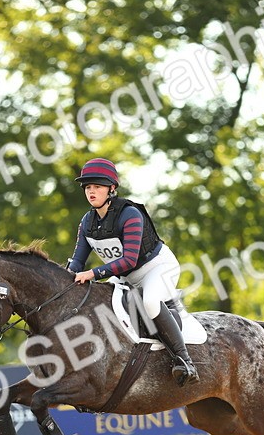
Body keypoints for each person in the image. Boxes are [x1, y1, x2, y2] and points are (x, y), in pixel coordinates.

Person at [66, 157, 198, 384]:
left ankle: (185, 360)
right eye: (88, 187)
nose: (91, 192)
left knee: (149, 302)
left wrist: (93, 274)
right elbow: (77, 262)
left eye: (97, 186)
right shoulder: (87, 222)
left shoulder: (130, 214)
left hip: (157, 268)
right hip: (124, 277)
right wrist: (63, 280)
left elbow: (129, 260)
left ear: (112, 189)